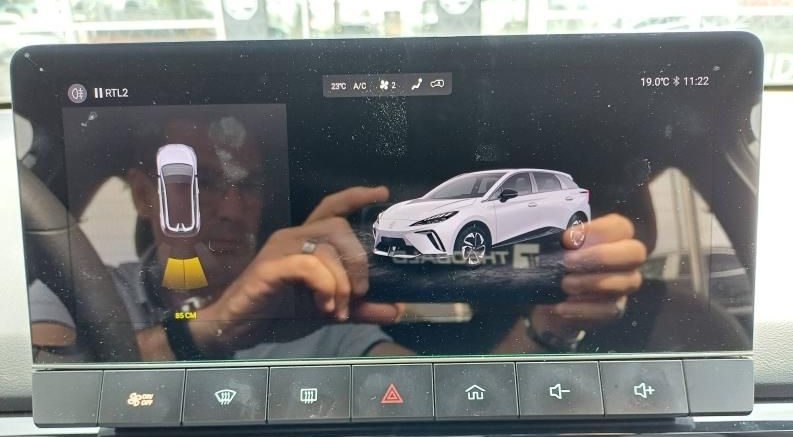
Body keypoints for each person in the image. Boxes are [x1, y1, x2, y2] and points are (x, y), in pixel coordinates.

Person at [29, 113, 647, 360]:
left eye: (248, 184)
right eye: (204, 183)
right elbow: (45, 392)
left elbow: (453, 408)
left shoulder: (318, 313)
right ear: (145, 193)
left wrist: (550, 326)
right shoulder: (72, 294)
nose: (231, 208)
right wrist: (211, 327)